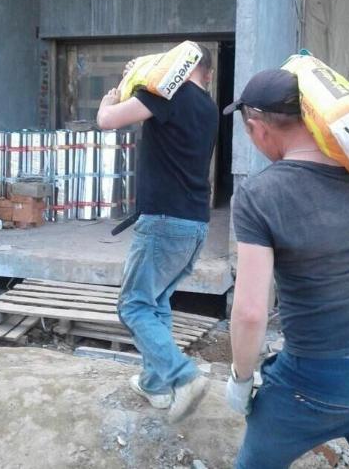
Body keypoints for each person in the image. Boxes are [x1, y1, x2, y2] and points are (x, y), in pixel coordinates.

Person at [223, 69, 349, 468]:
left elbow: (250, 313)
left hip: (312, 381)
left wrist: (241, 379)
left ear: (256, 127)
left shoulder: (260, 195)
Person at [96, 45, 219, 422]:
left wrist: (109, 98)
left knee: (133, 305)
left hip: (164, 221)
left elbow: (109, 120)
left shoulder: (168, 93)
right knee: (157, 301)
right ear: (209, 74)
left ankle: (183, 377)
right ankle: (155, 385)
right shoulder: (208, 107)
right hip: (195, 224)